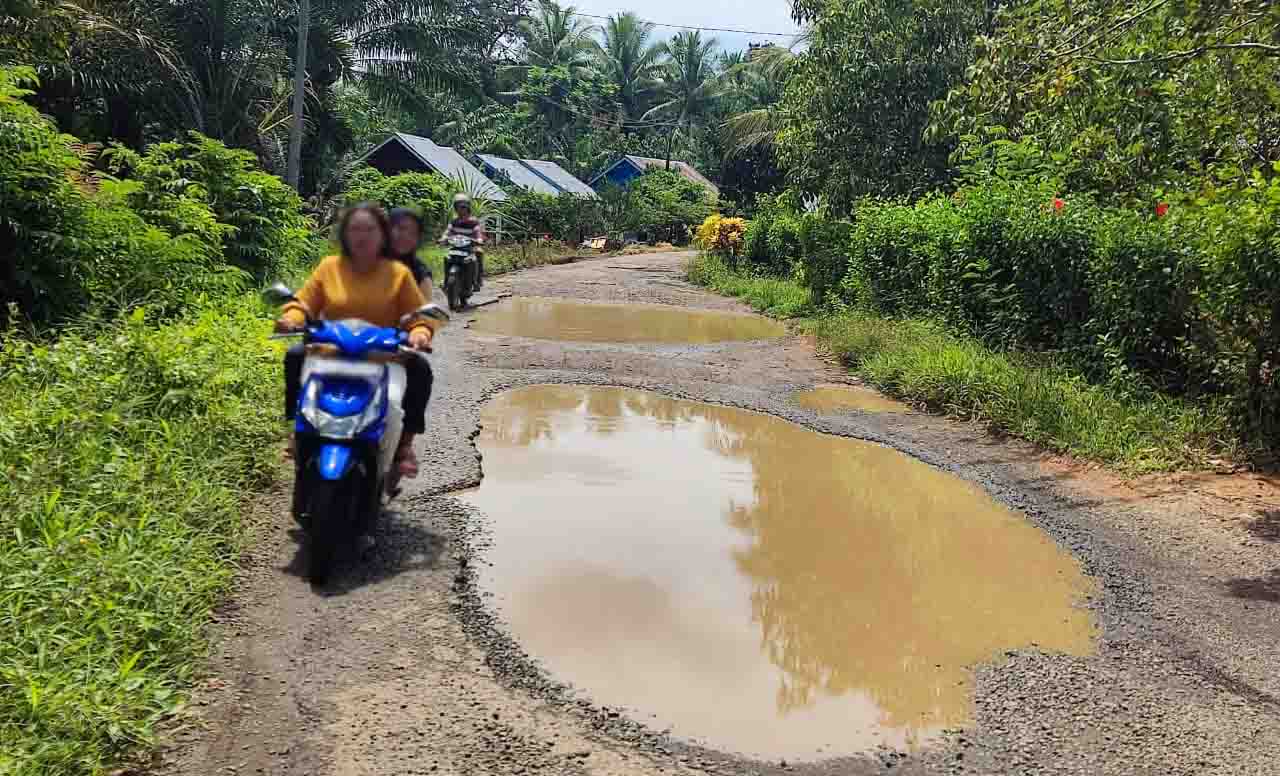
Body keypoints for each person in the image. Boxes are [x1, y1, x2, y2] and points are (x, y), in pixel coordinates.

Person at [276, 203, 435, 479]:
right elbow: (304, 302)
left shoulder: (399, 275)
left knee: (418, 374)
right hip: (331, 352)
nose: (362, 236)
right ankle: (297, 430)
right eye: (355, 229)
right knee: (294, 355)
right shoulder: (329, 268)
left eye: (370, 229)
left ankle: (402, 446)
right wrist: (292, 317)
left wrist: (420, 332)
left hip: (383, 357)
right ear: (344, 234)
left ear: (382, 235)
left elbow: (418, 316)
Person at [439, 192, 486, 292]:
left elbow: (478, 231)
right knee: (446, 258)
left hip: (470, 247)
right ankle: (446, 281)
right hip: (455, 247)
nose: (461, 209)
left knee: (478, 253)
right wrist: (443, 238)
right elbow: (448, 231)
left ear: (468, 207)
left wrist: (479, 239)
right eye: (458, 207)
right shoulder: (454, 221)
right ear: (455, 208)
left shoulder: (473, 221)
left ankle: (476, 281)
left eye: (463, 207)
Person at [388, 207, 433, 301]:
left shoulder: (421, 274)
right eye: (401, 228)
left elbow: (424, 312)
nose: (406, 236)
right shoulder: (369, 262)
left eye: (413, 232)